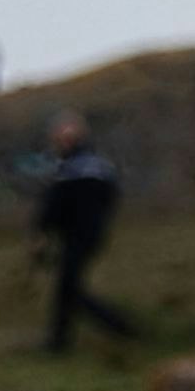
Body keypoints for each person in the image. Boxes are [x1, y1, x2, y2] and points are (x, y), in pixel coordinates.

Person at [28, 111, 135, 351]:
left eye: (62, 138)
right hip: (89, 234)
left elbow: (55, 205)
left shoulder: (72, 170)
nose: (58, 142)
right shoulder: (97, 166)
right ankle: (60, 341)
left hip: (79, 236)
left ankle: (121, 327)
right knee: (67, 289)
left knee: (69, 289)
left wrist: (42, 231)